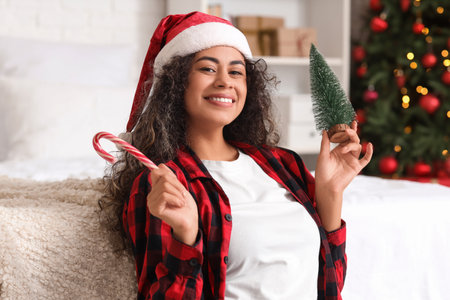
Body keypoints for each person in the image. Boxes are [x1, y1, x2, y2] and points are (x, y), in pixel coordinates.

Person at [102, 11, 373, 300]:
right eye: (207, 69)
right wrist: (187, 236)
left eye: (236, 72)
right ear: (176, 83)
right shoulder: (164, 184)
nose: (224, 82)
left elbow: (328, 282)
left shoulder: (283, 164)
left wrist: (330, 194)